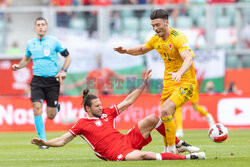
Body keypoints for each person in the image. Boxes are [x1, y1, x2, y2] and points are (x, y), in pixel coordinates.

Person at [31, 70, 206, 161]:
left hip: (126, 140)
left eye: (101, 104)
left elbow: (128, 101)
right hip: (115, 154)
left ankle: (177, 144)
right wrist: (45, 142)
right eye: (97, 106)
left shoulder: (107, 113)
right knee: (145, 156)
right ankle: (188, 157)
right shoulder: (82, 124)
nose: (101, 107)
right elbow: (62, 141)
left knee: (154, 118)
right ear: (88, 109)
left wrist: (142, 85)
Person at [114, 9, 196, 154]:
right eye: (153, 26)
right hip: (169, 83)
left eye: (157, 24)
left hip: (185, 82)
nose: (155, 28)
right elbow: (141, 49)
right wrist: (126, 51)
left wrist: (179, 72)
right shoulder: (156, 39)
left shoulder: (178, 37)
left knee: (165, 110)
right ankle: (172, 147)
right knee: (164, 115)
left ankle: (171, 150)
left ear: (166, 22)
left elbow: (188, 58)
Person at [12, 17, 71, 149]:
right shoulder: (30, 44)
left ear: (46, 27)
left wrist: (64, 70)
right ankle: (43, 141)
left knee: (51, 116)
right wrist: (18, 66)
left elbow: (68, 56)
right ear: (35, 28)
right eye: (38, 25)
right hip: (37, 81)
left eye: (43, 25)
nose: (41, 27)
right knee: (36, 107)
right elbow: (26, 59)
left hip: (52, 81)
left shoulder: (54, 42)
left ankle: (56, 107)